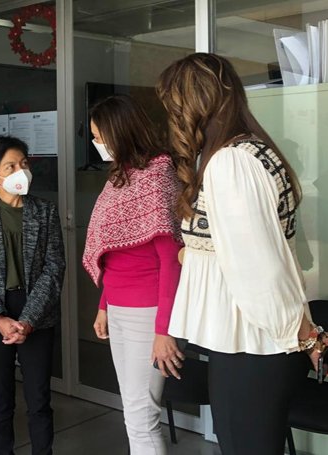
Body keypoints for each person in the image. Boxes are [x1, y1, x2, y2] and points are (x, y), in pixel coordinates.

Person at [156, 53, 328, 455]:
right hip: (252, 342)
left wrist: (308, 338)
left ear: (195, 103)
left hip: (253, 344)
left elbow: (261, 270)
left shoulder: (232, 162)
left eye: (174, 103)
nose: (172, 114)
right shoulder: (248, 151)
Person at [81, 95, 183, 455]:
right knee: (133, 413)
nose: (97, 144)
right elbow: (110, 251)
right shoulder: (119, 178)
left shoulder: (157, 176)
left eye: (100, 136)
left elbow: (172, 261)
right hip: (121, 309)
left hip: (148, 313)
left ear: (120, 132)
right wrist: (104, 305)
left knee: (142, 417)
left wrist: (164, 330)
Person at [0, 136, 65, 455]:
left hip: (37, 312)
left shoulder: (45, 211)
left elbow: (54, 267)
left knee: (39, 399)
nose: (22, 171)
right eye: (11, 166)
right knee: (0, 399)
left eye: (24, 164)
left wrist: (29, 319)